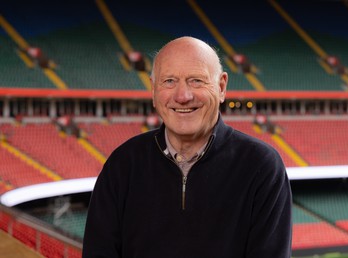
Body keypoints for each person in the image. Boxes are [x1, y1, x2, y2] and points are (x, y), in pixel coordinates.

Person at [82, 36, 292, 257]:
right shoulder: (123, 164)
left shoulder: (261, 166)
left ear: (221, 87)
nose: (182, 96)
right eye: (169, 81)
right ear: (153, 90)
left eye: (197, 81)